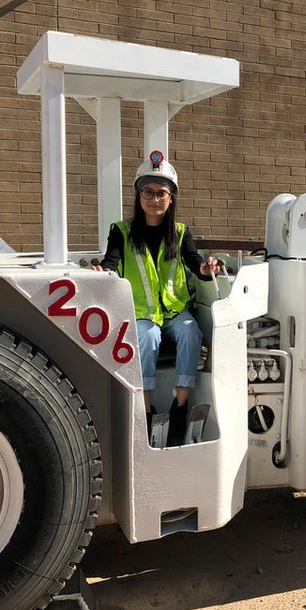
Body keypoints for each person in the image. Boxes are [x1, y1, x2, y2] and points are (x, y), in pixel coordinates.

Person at [95, 150, 222, 445]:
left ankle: (180, 406)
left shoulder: (179, 233)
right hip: (141, 313)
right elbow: (111, 261)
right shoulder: (122, 232)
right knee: (148, 338)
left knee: (191, 332)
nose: (154, 199)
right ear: (139, 196)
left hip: (175, 311)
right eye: (148, 192)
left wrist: (206, 269)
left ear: (171, 198)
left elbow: (195, 263)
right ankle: (148, 408)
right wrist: (104, 270)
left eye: (161, 193)